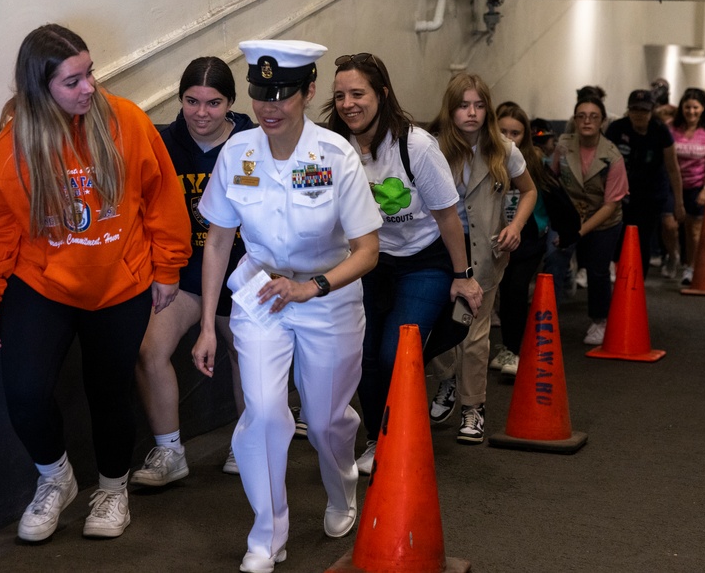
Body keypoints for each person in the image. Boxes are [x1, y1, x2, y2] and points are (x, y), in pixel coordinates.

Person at [0, 24, 191, 543]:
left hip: (121, 281)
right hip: (44, 282)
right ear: (40, 87)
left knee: (108, 391)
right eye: (72, 81)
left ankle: (113, 489)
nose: (89, 86)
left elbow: (161, 198)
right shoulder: (14, 146)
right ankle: (56, 478)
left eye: (89, 72)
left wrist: (167, 269)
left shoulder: (127, 123)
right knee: (24, 390)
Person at [191, 40, 381, 573]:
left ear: (308, 92)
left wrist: (312, 287)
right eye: (260, 95)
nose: (269, 107)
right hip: (260, 294)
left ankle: (341, 487)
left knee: (322, 423)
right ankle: (267, 536)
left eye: (282, 95)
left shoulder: (334, 156)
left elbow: (368, 250)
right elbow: (218, 242)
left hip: (329, 296)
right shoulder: (238, 152)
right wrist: (208, 324)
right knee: (266, 414)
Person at [320, 53, 482, 472]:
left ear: (383, 94)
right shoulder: (334, 146)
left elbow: (448, 214)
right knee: (366, 355)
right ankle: (379, 439)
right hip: (368, 260)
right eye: (340, 95)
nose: (348, 103)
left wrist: (463, 276)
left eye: (358, 93)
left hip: (422, 260)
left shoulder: (415, 146)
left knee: (396, 352)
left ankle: (404, 434)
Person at [130, 58, 252, 486]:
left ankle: (248, 442)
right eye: (191, 101)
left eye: (214, 103)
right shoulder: (162, 141)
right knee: (149, 351)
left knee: (246, 352)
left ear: (231, 104)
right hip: (183, 276)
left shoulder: (253, 143)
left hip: (240, 275)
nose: (201, 112)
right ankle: (169, 451)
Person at [429, 73, 536, 444]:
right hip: (441, 252)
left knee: (475, 335)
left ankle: (473, 407)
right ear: (451, 110)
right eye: (463, 106)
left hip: (486, 253)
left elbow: (530, 191)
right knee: (436, 327)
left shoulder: (503, 149)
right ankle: (447, 379)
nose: (471, 113)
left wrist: (516, 226)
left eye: (478, 105)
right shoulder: (435, 148)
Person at [551, 95, 629, 345]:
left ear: (602, 122)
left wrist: (580, 232)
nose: (587, 121)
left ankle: (599, 320)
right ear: (574, 120)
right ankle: (546, 316)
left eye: (593, 117)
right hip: (569, 215)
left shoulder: (613, 156)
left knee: (597, 269)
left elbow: (611, 205)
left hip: (603, 220)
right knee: (554, 259)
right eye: (581, 116)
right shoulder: (563, 145)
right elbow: (552, 179)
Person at [489, 104, 553, 377]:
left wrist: (567, 231)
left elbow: (552, 196)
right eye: (502, 131)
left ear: (524, 136)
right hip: (497, 239)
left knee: (516, 289)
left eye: (515, 133)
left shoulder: (533, 161)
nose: (508, 138)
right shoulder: (487, 158)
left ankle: (514, 350)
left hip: (528, 239)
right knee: (502, 293)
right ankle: (504, 346)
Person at [604, 90, 684, 277]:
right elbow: (604, 162)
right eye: (635, 109)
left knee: (643, 236)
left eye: (644, 110)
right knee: (620, 233)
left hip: (653, 192)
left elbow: (673, 168)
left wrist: (678, 203)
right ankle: (618, 272)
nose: (639, 114)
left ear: (651, 111)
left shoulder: (660, 130)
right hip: (623, 191)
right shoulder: (617, 128)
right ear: (628, 110)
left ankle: (638, 278)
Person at [668, 88, 705, 285]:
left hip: (698, 184)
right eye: (687, 107)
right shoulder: (672, 127)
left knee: (693, 229)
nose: (691, 112)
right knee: (670, 225)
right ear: (682, 108)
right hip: (673, 184)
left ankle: (690, 267)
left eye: (695, 108)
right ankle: (673, 255)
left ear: (702, 108)